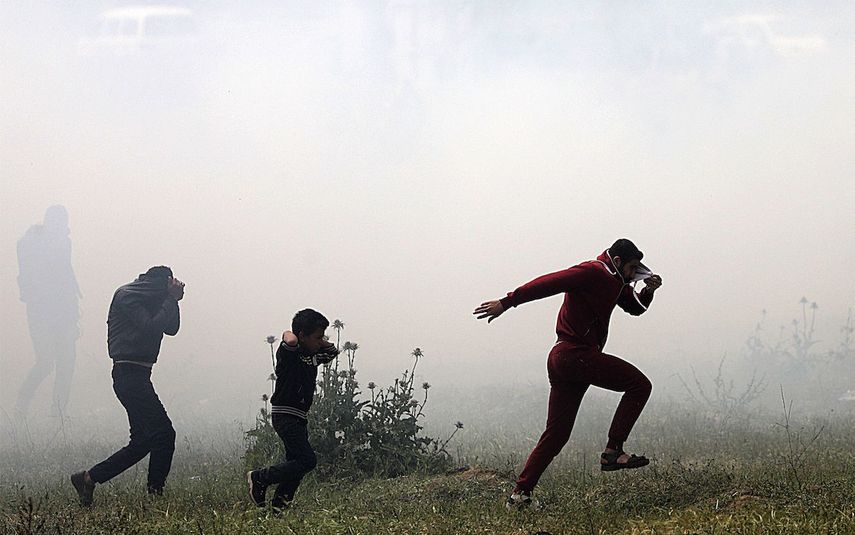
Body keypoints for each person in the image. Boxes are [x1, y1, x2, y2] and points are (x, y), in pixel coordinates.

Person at [473, 239, 663, 508]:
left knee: (557, 433)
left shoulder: (617, 281)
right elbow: (549, 282)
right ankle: (613, 451)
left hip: (565, 360)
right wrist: (508, 302)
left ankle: (519, 496)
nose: (634, 274)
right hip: (575, 356)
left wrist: (648, 291)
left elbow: (636, 308)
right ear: (618, 262)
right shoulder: (592, 271)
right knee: (640, 386)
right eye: (632, 268)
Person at [71, 266, 185, 505]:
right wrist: (170, 298)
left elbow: (171, 328)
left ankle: (88, 478)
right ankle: (155, 496)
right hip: (128, 375)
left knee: (143, 441)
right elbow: (152, 326)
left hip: (137, 376)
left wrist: (171, 300)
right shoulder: (129, 296)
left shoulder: (146, 297)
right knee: (164, 434)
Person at [247, 308, 339, 510]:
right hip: (285, 415)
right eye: (317, 337)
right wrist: (294, 336)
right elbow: (289, 340)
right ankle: (260, 478)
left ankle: (280, 504)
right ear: (303, 336)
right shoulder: (289, 354)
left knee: (295, 462)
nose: (320, 341)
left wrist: (317, 340)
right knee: (307, 460)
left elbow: (333, 351)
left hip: (298, 417)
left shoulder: (312, 357)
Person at [15, 205, 82, 416]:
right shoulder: (30, 244)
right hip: (41, 311)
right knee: (46, 361)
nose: (65, 227)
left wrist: (73, 312)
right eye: (61, 222)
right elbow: (34, 278)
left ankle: (58, 413)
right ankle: (21, 407)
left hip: (62, 312)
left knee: (66, 363)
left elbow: (66, 276)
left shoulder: (63, 242)